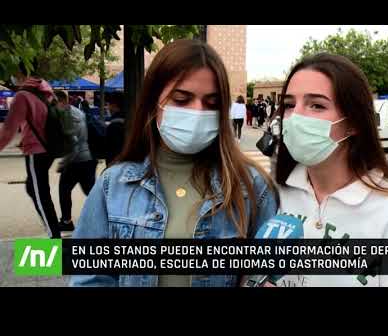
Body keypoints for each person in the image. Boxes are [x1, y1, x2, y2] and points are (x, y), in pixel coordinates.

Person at [70, 39, 278, 287]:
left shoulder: (252, 187)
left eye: (211, 103)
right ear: (154, 102)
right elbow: (90, 278)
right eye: (181, 99)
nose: (197, 112)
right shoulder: (113, 184)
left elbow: (264, 274)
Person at [272, 53, 388, 287]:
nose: (295, 116)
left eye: (317, 105)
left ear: (353, 123)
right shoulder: (274, 194)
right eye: (289, 105)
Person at [0, 70, 61, 238]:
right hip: (48, 148)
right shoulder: (44, 89)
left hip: (36, 150)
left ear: (20, 72)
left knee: (40, 194)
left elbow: (8, 130)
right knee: (33, 188)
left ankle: (54, 238)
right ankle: (54, 233)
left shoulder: (23, 95)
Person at [55, 91, 97, 232]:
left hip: (78, 159)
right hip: (87, 157)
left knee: (65, 189)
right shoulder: (76, 112)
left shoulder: (69, 115)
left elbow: (74, 143)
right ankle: (106, 216)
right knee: (91, 191)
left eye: (54, 103)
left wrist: (63, 163)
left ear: (61, 101)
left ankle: (66, 221)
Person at [104, 93, 126, 166]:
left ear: (114, 105)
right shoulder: (129, 120)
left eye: (108, 104)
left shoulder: (114, 126)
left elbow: (112, 151)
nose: (107, 108)